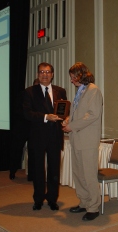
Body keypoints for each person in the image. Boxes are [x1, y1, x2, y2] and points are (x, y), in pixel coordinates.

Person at [62, 62, 103, 221]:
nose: (71, 81)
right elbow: (80, 113)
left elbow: (92, 115)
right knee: (78, 174)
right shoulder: (80, 91)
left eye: (73, 77)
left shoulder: (94, 90)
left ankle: (93, 207)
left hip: (87, 140)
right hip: (77, 138)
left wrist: (72, 126)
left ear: (81, 75)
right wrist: (68, 120)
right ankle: (84, 202)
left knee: (89, 175)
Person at [23, 62, 67, 211]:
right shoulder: (29, 92)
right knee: (38, 169)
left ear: (52, 74)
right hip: (37, 137)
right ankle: (38, 198)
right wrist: (46, 116)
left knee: (54, 169)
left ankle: (52, 199)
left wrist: (65, 119)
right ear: (37, 74)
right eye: (42, 72)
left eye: (48, 72)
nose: (45, 75)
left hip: (55, 136)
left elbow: (63, 111)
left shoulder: (60, 91)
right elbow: (27, 114)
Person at [9, 78, 39, 181]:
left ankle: (31, 175)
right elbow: (16, 110)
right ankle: (12, 171)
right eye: (36, 85)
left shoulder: (43, 97)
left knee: (33, 153)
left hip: (34, 129)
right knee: (17, 150)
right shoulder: (23, 94)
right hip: (21, 128)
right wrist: (30, 115)